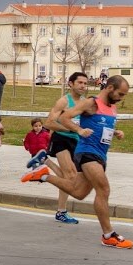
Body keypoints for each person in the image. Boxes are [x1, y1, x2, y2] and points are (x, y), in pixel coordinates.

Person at [22, 75, 133, 248]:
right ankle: (108, 235)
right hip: (87, 153)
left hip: (101, 155)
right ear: (110, 88)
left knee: (79, 193)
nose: (121, 98)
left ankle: (44, 175)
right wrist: (79, 130)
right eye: (121, 94)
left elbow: (102, 127)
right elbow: (65, 117)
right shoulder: (91, 103)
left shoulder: (112, 108)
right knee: (103, 189)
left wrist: (116, 132)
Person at [31, 72, 90, 224]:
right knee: (70, 176)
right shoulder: (63, 101)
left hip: (76, 141)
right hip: (61, 139)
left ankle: (45, 163)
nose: (83, 86)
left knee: (70, 178)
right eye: (80, 83)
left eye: (85, 83)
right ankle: (61, 211)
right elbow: (49, 123)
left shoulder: (84, 102)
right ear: (71, 84)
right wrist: (69, 129)